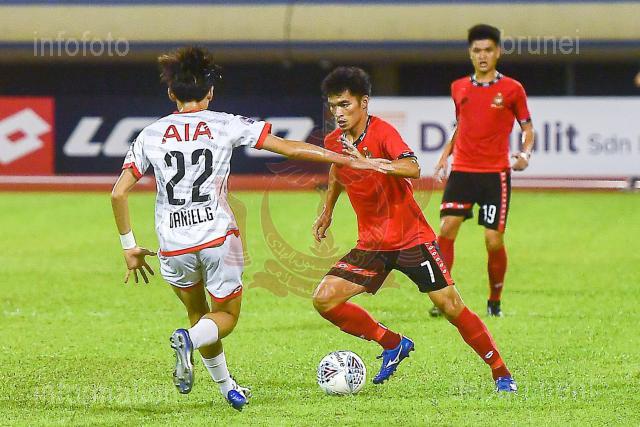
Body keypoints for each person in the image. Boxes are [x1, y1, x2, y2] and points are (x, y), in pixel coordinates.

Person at [110, 47, 391, 411]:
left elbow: (118, 193)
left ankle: (226, 386)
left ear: (170, 93)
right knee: (224, 316)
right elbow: (289, 149)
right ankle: (190, 342)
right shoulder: (224, 123)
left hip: (173, 245)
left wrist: (129, 246)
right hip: (217, 239)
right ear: (211, 92)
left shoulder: (150, 134)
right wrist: (344, 159)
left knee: (199, 316)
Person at [311, 66, 517, 392]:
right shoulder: (333, 141)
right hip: (372, 244)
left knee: (450, 306)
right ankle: (392, 343)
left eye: (345, 104)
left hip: (411, 240)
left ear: (364, 103)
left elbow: (412, 167)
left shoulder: (383, 132)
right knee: (324, 299)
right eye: (334, 105)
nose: (338, 113)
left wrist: (371, 162)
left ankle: (500, 371)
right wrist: (327, 211)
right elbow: (338, 170)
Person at [432, 24, 535, 318]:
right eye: (477, 50)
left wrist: (525, 154)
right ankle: (442, 299)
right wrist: (445, 155)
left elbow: (528, 129)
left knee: (492, 239)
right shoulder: (459, 87)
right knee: (446, 228)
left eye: (488, 50)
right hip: (463, 171)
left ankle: (494, 301)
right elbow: (460, 125)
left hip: (495, 175)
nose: (482, 55)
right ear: (470, 53)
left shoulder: (512, 89)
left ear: (498, 52)